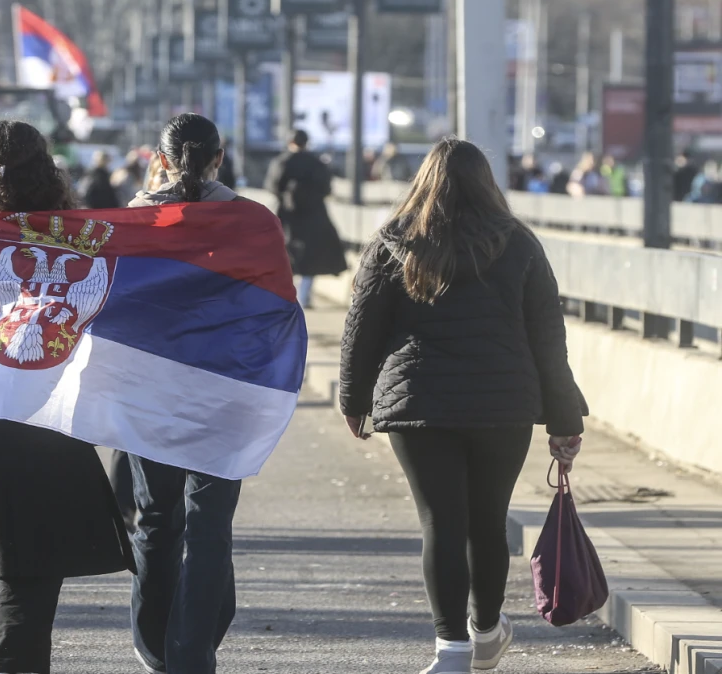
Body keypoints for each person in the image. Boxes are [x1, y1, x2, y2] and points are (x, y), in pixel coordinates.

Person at [338, 137, 586, 674]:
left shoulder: (394, 242)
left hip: (418, 402)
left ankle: (451, 649)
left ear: (423, 181)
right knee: (487, 522)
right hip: (503, 404)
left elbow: (362, 328)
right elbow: (548, 338)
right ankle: (487, 632)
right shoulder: (518, 244)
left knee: (440, 523)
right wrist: (565, 420)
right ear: (486, 182)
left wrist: (353, 399)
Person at [0, 120, 133, 674]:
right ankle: (4, 660)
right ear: (47, 170)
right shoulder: (80, 234)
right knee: (34, 564)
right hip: (48, 406)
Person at [126, 113, 245, 674]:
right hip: (222, 388)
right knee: (211, 519)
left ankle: (153, 644)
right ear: (221, 159)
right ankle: (194, 649)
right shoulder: (249, 222)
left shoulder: (134, 218)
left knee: (156, 515)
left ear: (162, 159)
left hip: (150, 387)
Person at [263, 130, 349, 309]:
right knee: (311, 256)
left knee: (286, 255)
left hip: (288, 215)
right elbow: (326, 188)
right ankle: (305, 296)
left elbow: (272, 186)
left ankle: (285, 294)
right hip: (314, 215)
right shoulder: (316, 162)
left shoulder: (282, 162)